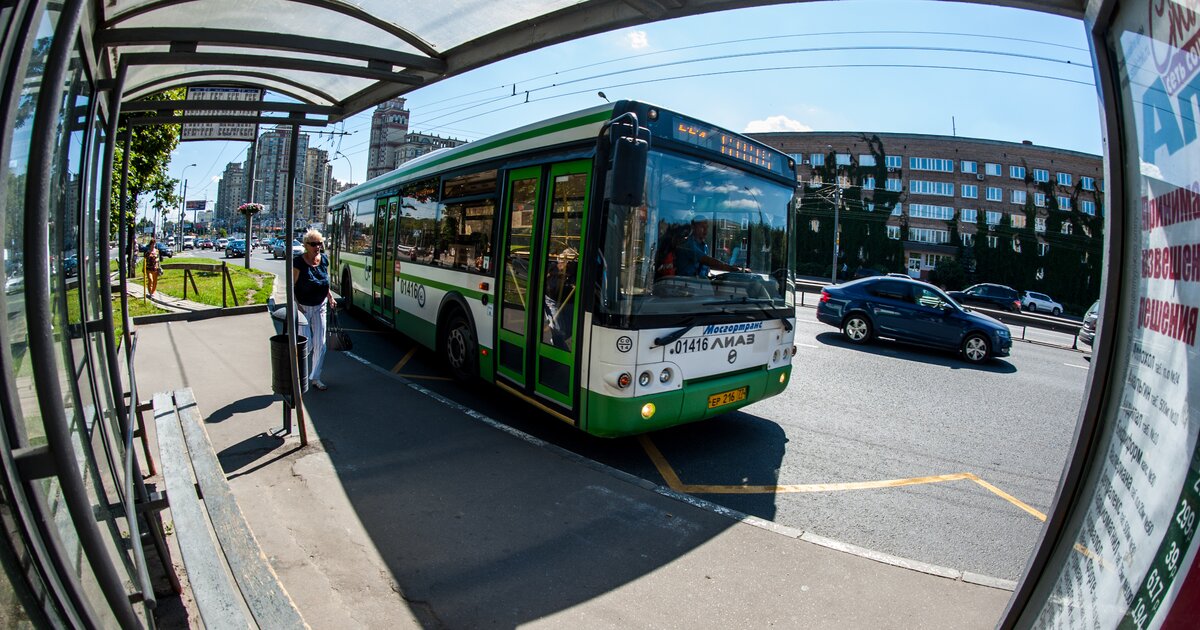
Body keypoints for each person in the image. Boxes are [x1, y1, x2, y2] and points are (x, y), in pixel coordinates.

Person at [293, 229, 335, 391]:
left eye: (319, 243)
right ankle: (298, 375)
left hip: (320, 306)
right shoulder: (298, 262)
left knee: (321, 344)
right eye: (313, 244)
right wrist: (296, 306)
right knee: (307, 343)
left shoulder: (323, 260)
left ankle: (315, 378)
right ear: (306, 245)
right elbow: (292, 285)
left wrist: (330, 297)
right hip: (303, 307)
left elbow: (325, 281)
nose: (317, 247)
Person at [673, 217, 746, 277]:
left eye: (706, 227)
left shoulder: (704, 246)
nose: (705, 231)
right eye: (702, 227)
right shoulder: (688, 244)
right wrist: (735, 269)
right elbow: (708, 261)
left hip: (699, 283)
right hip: (685, 283)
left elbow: (706, 268)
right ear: (693, 228)